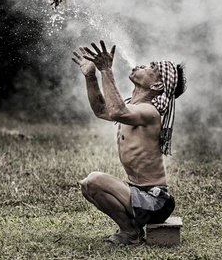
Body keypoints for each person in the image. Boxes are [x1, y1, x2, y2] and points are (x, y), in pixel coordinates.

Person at [72, 40, 186, 246]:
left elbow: (117, 112)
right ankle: (130, 229)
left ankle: (130, 233)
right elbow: (100, 110)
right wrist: (91, 76)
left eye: (152, 68)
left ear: (157, 85)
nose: (143, 66)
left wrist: (106, 69)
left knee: (94, 180)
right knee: (88, 186)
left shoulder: (150, 112)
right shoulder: (133, 107)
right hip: (138, 193)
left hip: (155, 202)